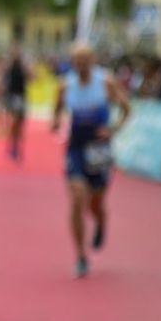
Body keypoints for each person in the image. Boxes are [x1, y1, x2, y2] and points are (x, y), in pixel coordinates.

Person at [51, 41, 132, 277]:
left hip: (99, 150)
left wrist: (113, 129)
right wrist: (56, 121)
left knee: (95, 203)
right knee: (77, 198)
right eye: (77, 60)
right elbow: (56, 110)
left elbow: (127, 108)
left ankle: (101, 220)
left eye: (85, 60)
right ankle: (80, 255)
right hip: (76, 147)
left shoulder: (105, 82)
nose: (81, 65)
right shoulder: (65, 85)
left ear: (93, 60)